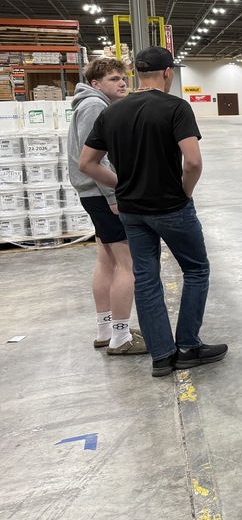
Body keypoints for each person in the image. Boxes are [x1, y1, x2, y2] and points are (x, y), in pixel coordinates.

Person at [79, 46, 227, 378]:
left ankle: (161, 355)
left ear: (135, 75)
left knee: (146, 279)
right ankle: (188, 347)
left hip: (132, 211)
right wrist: (183, 194)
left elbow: (86, 163)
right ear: (168, 73)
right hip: (170, 206)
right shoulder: (176, 107)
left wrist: (120, 185)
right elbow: (193, 161)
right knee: (196, 271)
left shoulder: (112, 112)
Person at [67, 58, 145, 355]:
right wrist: (114, 197)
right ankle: (122, 337)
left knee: (107, 261)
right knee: (129, 265)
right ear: (96, 84)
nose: (122, 83)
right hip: (102, 194)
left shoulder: (92, 104)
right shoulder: (94, 107)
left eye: (123, 78)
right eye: (114, 79)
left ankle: (106, 330)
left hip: (94, 194)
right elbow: (93, 159)